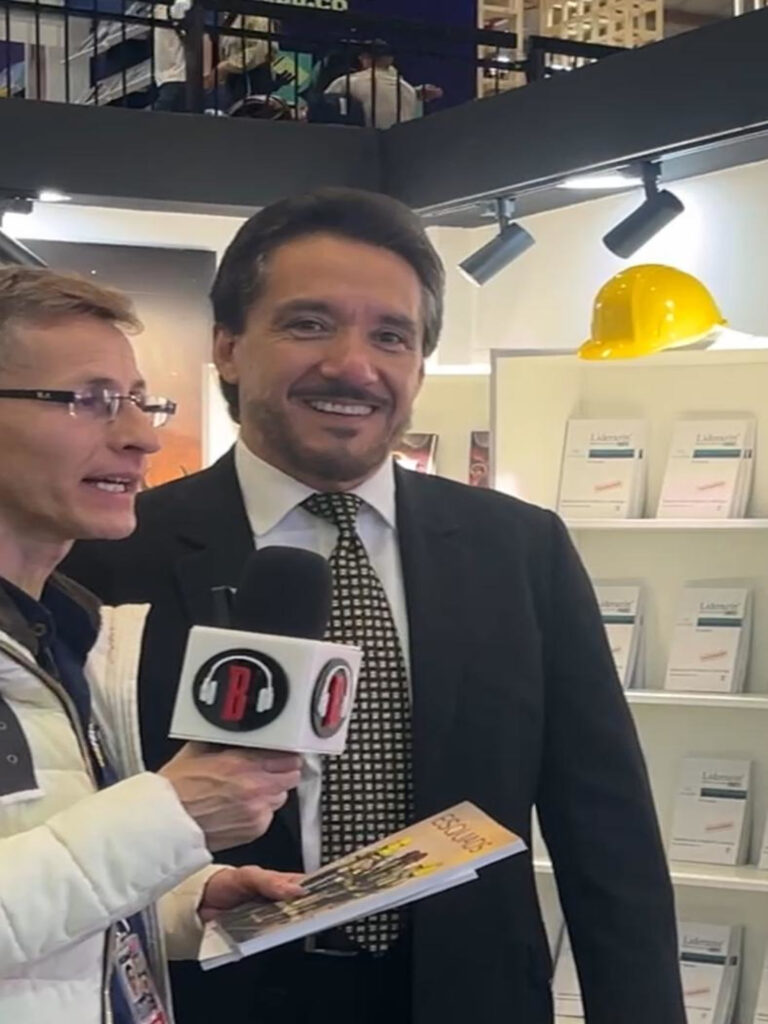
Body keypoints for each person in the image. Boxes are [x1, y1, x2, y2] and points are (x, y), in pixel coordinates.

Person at [64, 188, 686, 1024]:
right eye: (309, 324)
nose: (353, 366)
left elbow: (606, 831)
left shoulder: (520, 549)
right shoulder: (107, 557)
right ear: (229, 347)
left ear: (419, 365)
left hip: (471, 999)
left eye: (391, 336)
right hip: (215, 998)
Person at [0, 266, 304, 1024]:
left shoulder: (68, 634)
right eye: (91, 400)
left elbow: (37, 866)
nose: (142, 436)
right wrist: (169, 817)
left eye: (139, 401)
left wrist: (181, 899)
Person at [324, 40, 442, 129]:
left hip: (365, 144)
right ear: (390, 60)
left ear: (363, 58)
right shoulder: (407, 89)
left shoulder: (348, 82)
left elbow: (324, 109)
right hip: (404, 144)